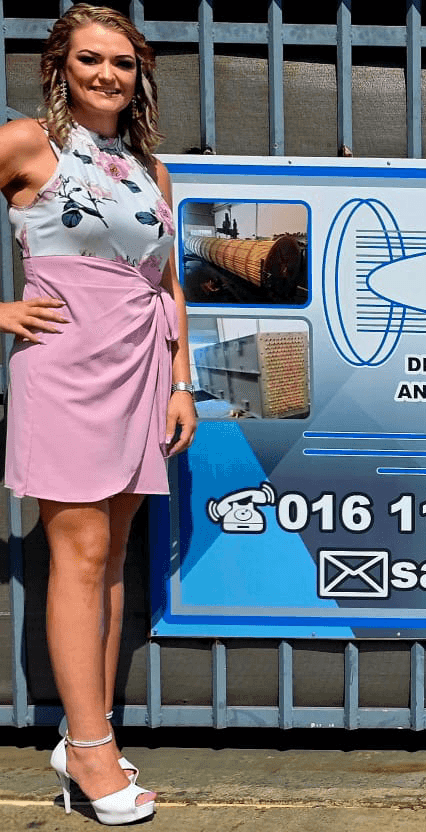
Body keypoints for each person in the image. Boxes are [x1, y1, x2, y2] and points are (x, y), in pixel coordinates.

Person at [0, 5, 195, 825]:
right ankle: (87, 749)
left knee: (111, 559)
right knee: (78, 557)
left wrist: (181, 382)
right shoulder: (27, 144)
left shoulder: (150, 168)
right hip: (67, 372)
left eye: (122, 61)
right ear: (59, 67)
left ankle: (92, 733)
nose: (108, 74)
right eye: (90, 59)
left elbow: (169, 282)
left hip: (141, 370)